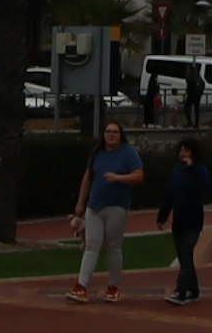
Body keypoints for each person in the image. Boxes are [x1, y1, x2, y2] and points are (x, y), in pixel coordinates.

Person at [68, 117, 144, 304]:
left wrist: (119, 178)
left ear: (120, 135)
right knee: (91, 247)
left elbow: (139, 176)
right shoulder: (97, 153)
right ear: (103, 134)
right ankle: (81, 286)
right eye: (108, 132)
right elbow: (88, 178)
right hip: (94, 207)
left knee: (113, 247)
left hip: (117, 207)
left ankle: (113, 287)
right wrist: (80, 203)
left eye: (115, 132)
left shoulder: (128, 153)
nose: (111, 135)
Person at [158, 136, 212, 307]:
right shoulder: (176, 170)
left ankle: (180, 291)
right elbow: (170, 194)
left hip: (194, 219)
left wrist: (192, 168)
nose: (182, 154)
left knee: (187, 253)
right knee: (184, 256)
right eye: (181, 150)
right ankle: (194, 290)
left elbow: (204, 186)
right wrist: (162, 216)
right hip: (179, 219)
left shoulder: (200, 170)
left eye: (186, 150)